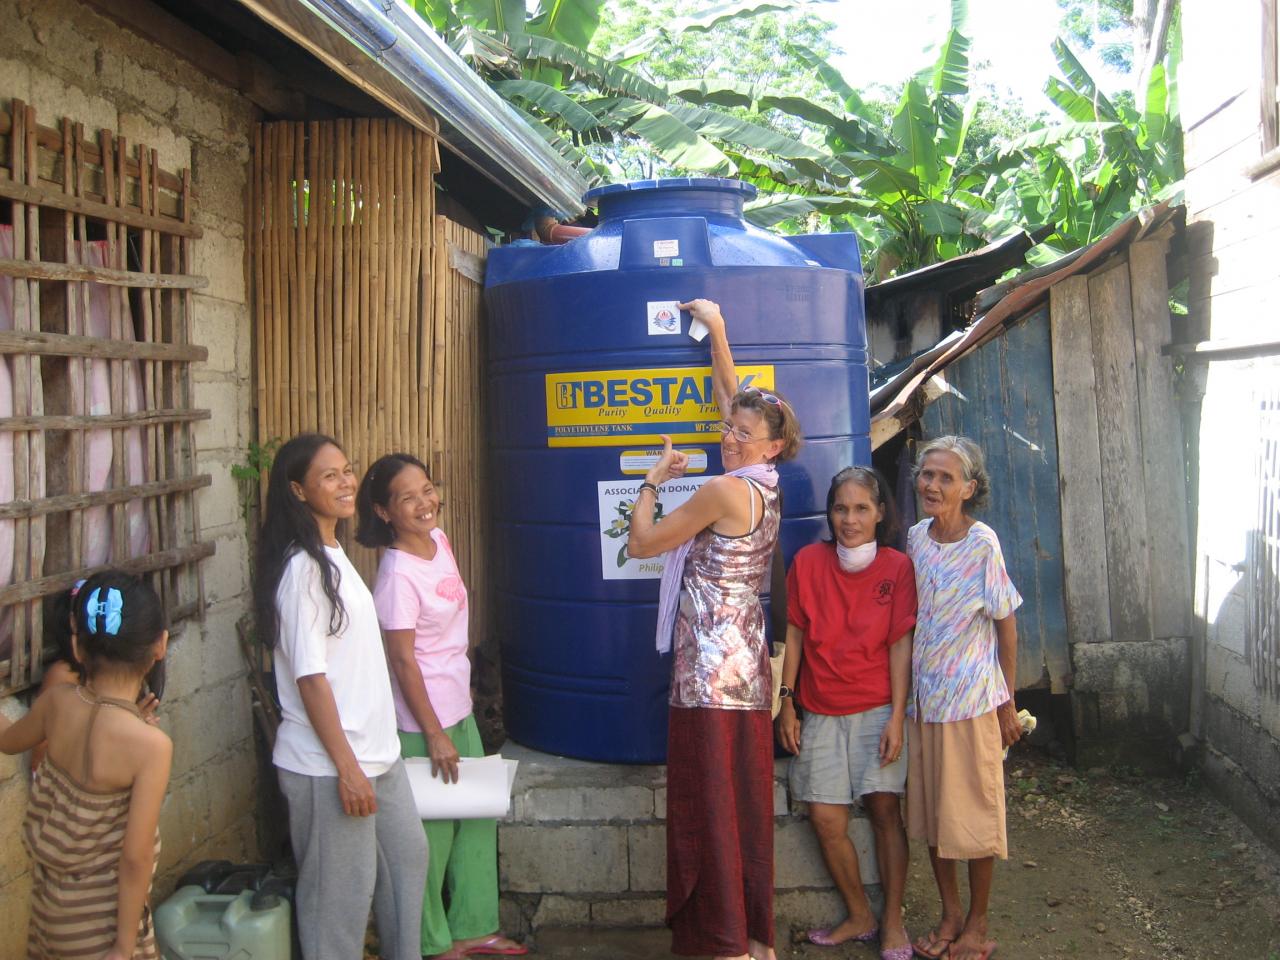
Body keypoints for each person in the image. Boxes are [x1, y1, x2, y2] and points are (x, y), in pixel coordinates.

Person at [627, 298, 802, 960]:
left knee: (709, 802)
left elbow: (643, 545)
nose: (728, 437)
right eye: (729, 428)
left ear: (771, 444)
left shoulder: (722, 491)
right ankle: (754, 935)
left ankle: (722, 941)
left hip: (706, 668)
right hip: (747, 662)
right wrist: (719, 333)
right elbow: (741, 402)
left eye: (741, 434)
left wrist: (653, 481)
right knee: (743, 799)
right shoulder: (767, 482)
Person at [254, 433, 427, 960]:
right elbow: (311, 679)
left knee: (406, 862)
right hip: (332, 766)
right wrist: (347, 769)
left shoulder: (332, 555)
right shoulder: (303, 571)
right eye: (329, 475)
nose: (346, 481)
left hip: (377, 756)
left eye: (347, 470)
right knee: (340, 905)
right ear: (298, 491)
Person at [356, 453, 526, 960]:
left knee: (475, 819)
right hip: (420, 722)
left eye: (427, 489)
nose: (424, 503)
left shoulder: (438, 542)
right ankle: (431, 941)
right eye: (407, 498)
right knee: (430, 834)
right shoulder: (396, 577)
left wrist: (462, 701)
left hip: (458, 709)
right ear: (385, 512)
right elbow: (403, 662)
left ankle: (475, 927)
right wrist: (432, 733)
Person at [777, 466, 916, 960]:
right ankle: (860, 914)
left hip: (879, 707)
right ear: (829, 514)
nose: (850, 519)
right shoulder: (809, 563)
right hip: (821, 709)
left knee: (884, 809)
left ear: (880, 514)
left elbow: (901, 646)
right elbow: (794, 634)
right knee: (825, 818)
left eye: (861, 508)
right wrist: (786, 702)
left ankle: (894, 921)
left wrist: (898, 716)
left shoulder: (898, 568)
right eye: (841, 508)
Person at [1, 570, 172, 960]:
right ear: (159, 645)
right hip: (104, 928)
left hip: (50, 917)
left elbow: (7, 742)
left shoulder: (56, 702)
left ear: (78, 647)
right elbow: (135, 858)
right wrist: (123, 945)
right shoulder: (151, 747)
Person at [906, 436, 1023, 960]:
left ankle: (977, 922)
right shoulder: (914, 539)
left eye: (945, 478)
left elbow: (1006, 624)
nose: (932, 484)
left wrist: (1006, 700)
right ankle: (950, 911)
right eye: (927, 474)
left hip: (973, 701)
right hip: (924, 703)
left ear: (969, 488)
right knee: (934, 818)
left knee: (974, 817)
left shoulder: (983, 544)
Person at [31, 581, 160, 770]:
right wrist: (123, 728)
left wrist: (133, 727)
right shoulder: (63, 677)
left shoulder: (123, 678)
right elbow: (39, 757)